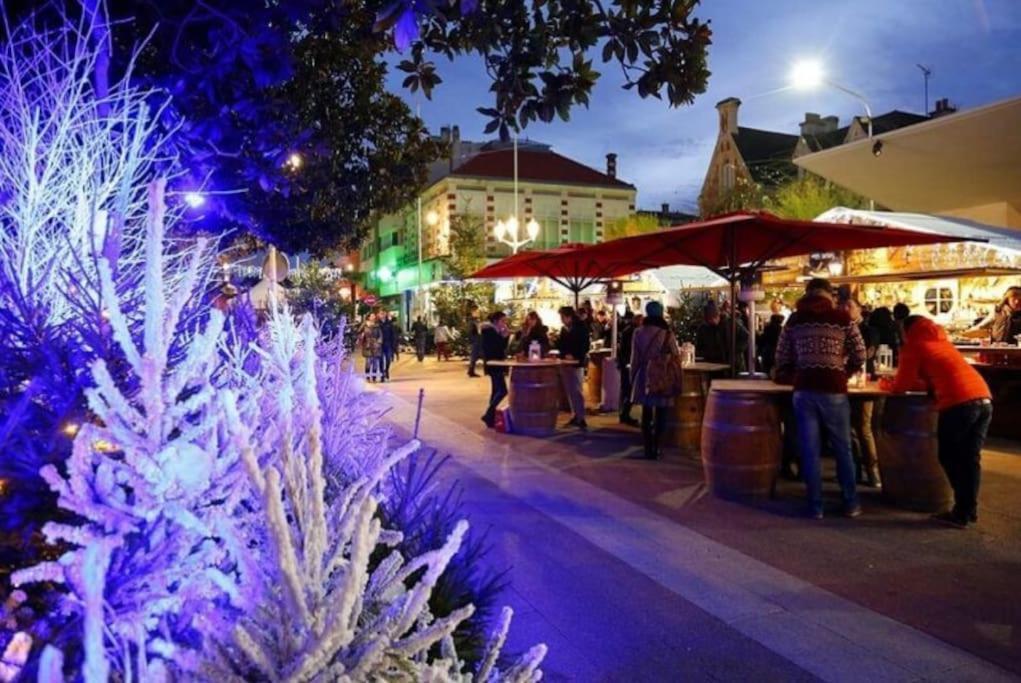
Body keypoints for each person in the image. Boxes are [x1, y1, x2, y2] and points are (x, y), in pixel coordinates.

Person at [881, 316, 992, 527]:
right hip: (983, 398)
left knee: (950, 457)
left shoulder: (914, 345)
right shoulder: (941, 341)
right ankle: (968, 510)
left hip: (959, 403)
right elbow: (937, 376)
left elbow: (901, 385)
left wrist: (888, 385)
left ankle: (962, 510)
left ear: (906, 330)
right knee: (969, 458)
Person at [775, 277, 865, 519]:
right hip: (834, 389)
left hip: (804, 389)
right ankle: (851, 503)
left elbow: (781, 355)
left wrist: (797, 371)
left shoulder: (794, 320)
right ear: (829, 294)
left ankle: (815, 506)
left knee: (809, 449)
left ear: (807, 294)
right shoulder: (842, 319)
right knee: (842, 448)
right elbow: (860, 353)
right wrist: (844, 373)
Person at [629, 302, 680, 459]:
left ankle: (647, 447)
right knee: (661, 413)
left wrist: (633, 376)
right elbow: (675, 355)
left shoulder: (638, 332)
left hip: (645, 375)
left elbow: (635, 357)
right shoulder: (667, 333)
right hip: (662, 376)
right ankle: (657, 447)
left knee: (646, 412)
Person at [840, 298, 881, 487]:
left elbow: (867, 353)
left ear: (859, 310)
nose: (846, 309)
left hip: (863, 382)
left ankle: (872, 471)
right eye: (844, 306)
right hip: (844, 383)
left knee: (863, 427)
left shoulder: (870, 331)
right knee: (848, 429)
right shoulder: (839, 328)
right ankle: (855, 471)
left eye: (850, 306)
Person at [556, 306, 590, 430]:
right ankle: (575, 415)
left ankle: (580, 417)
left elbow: (584, 345)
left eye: (562, 317)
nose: (561, 320)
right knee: (571, 390)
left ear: (568, 316)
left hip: (576, 363)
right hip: (566, 362)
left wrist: (575, 355)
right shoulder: (565, 329)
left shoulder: (580, 327)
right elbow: (562, 344)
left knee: (576, 390)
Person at [481, 311, 512, 428]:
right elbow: (497, 347)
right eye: (502, 321)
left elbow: (501, 347)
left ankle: (490, 418)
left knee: (495, 390)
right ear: (495, 321)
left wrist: (504, 336)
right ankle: (488, 414)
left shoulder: (494, 331)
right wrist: (505, 336)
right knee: (502, 390)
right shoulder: (489, 331)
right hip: (494, 363)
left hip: (496, 363)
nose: (504, 324)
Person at [617, 313, 642, 426]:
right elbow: (627, 350)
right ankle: (624, 414)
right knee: (628, 389)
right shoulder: (632, 332)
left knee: (627, 390)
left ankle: (624, 413)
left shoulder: (629, 331)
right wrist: (628, 363)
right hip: (628, 364)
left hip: (626, 364)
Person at [359, 313, 383, 382]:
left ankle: (374, 377)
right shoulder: (365, 325)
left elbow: (380, 335)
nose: (373, 317)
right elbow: (358, 332)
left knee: (375, 362)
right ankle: (367, 377)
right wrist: (362, 334)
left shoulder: (377, 326)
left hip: (375, 346)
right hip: (367, 345)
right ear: (368, 317)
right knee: (368, 362)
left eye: (374, 316)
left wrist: (379, 342)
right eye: (371, 316)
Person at [379, 310, 397, 382]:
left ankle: (386, 370)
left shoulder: (389, 324)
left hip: (388, 343)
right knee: (381, 360)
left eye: (383, 314)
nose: (382, 315)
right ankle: (382, 374)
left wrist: (394, 344)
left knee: (388, 359)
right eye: (381, 314)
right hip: (380, 344)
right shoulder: (377, 324)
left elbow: (393, 334)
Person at [467, 307, 482, 377]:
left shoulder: (476, 321)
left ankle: (471, 370)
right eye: (476, 311)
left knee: (475, 355)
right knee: (474, 355)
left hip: (477, 339)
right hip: (475, 339)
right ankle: (471, 370)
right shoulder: (472, 322)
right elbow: (471, 332)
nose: (478, 313)